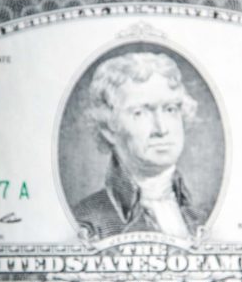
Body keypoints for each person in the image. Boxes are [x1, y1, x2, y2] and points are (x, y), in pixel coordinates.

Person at [73, 51, 204, 240]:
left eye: (170, 109)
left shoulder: (201, 216)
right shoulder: (87, 221)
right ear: (109, 128)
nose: (161, 128)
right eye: (140, 112)